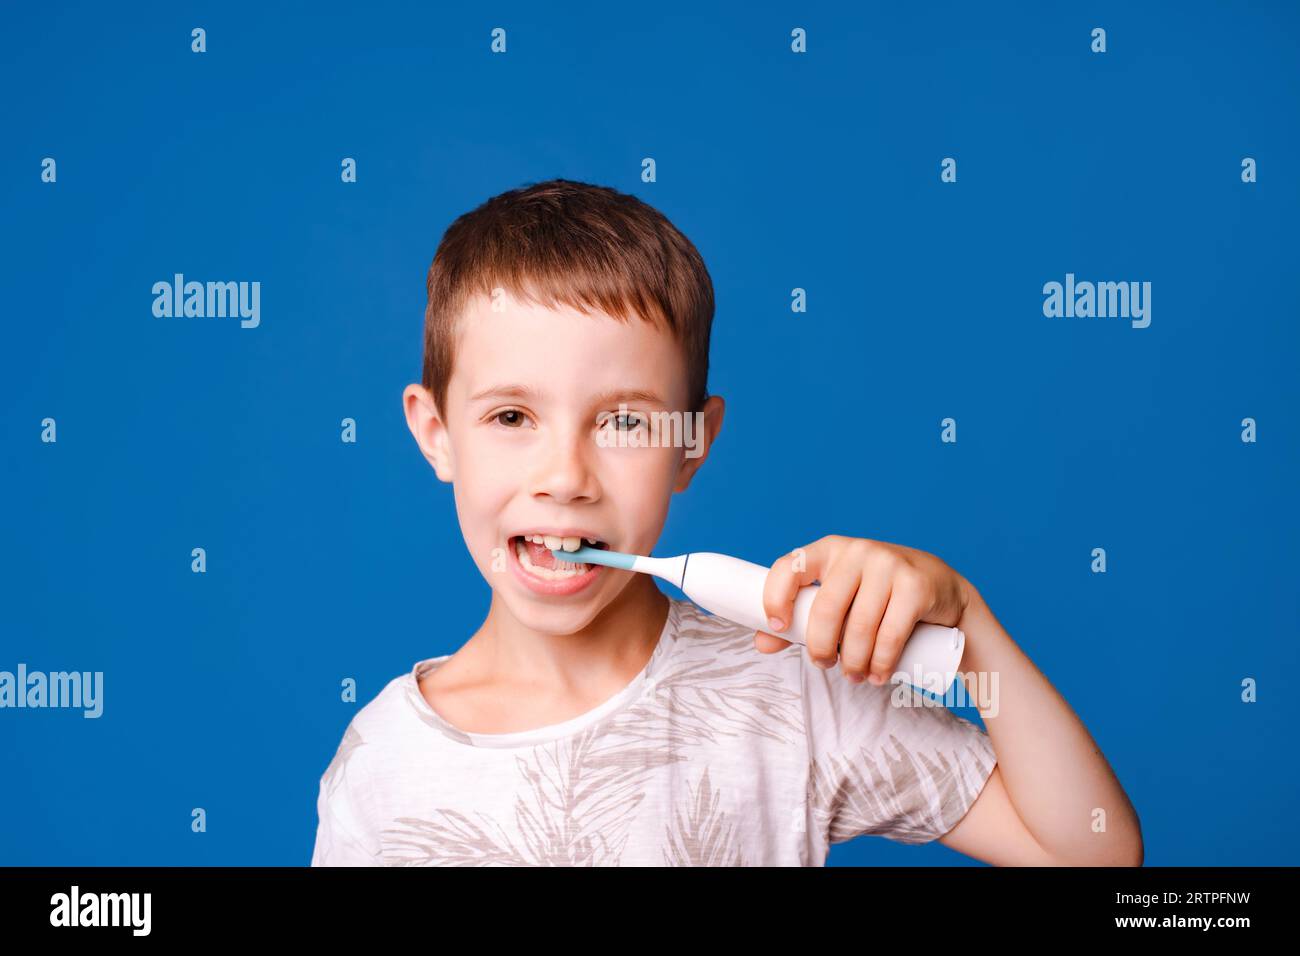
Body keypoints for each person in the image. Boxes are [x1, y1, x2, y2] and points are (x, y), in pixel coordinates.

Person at [310, 178, 1142, 866]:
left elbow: (1093, 854)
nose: (564, 478)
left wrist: (970, 621)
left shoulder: (794, 690)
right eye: (511, 418)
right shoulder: (383, 765)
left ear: (692, 444)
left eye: (625, 422)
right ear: (436, 433)